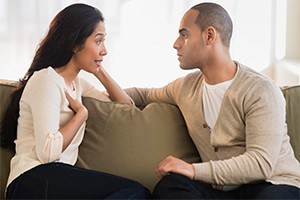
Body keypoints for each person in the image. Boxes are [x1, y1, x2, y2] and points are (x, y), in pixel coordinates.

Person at [125, 2, 300, 199]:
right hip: (224, 192)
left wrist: (193, 170)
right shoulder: (185, 87)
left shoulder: (260, 90)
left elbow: (261, 164)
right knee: (171, 186)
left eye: (184, 34)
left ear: (209, 36)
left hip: (274, 185)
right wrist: (90, 90)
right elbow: (143, 95)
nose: (176, 43)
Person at [0, 3, 151, 199]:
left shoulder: (78, 84)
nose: (104, 50)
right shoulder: (46, 79)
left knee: (137, 193)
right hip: (31, 180)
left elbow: (125, 106)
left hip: (53, 182)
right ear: (74, 43)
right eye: (98, 41)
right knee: (136, 192)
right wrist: (81, 115)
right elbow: (47, 153)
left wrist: (99, 70)